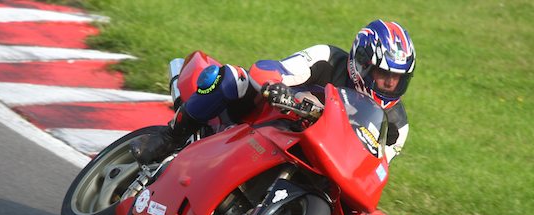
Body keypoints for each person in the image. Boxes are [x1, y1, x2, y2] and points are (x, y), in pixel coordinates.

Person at [130, 19, 416, 165]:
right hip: (269, 119)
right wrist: (277, 87)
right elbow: (272, 69)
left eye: (397, 79)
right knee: (233, 78)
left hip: (320, 157)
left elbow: (374, 168)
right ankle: (170, 138)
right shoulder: (327, 58)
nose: (389, 84)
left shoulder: (397, 127)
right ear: (362, 63)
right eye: (384, 75)